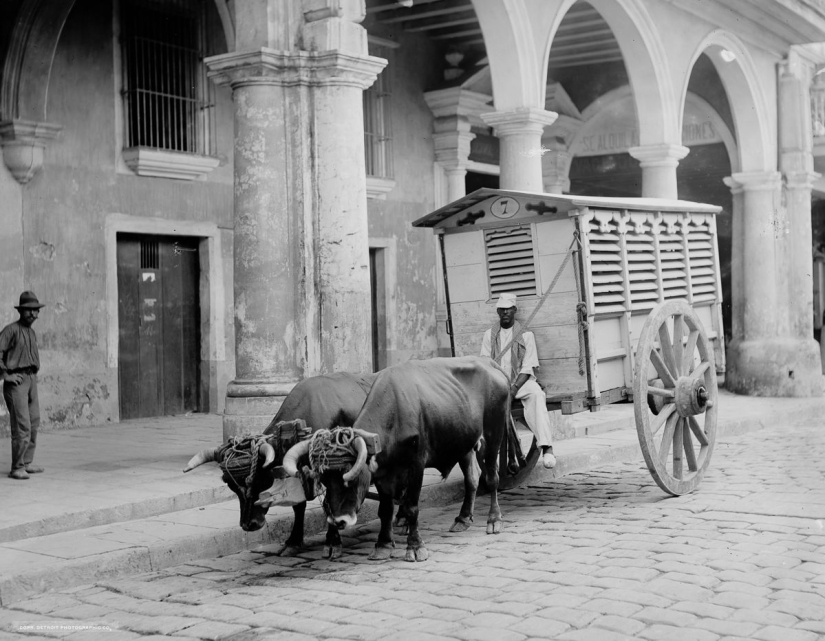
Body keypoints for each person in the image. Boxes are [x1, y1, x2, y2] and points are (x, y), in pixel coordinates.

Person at [481, 292, 556, 469]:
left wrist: (513, 389)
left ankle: (547, 446)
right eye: (502, 309)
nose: (505, 312)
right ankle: (489, 449)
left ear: (514, 310)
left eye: (508, 309)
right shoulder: (489, 335)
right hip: (497, 383)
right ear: (498, 312)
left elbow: (528, 367)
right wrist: (499, 387)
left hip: (519, 383)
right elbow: (484, 364)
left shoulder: (526, 335)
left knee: (537, 393)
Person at [1, 291, 45, 480]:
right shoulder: (10, 330)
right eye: (29, 311)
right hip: (16, 382)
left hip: (31, 380)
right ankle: (17, 467)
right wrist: (5, 375)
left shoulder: (31, 332)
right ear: (21, 311)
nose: (33, 314)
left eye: (35, 311)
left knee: (34, 421)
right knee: (22, 425)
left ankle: (27, 462)